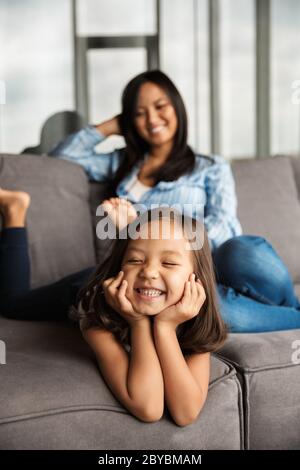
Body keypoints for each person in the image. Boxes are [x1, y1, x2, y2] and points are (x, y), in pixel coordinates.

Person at [1, 69, 300, 331]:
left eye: (160, 107)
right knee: (210, 309)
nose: (152, 119)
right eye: (140, 112)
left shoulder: (209, 167)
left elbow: (223, 226)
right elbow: (61, 157)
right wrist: (111, 125)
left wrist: (142, 228)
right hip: (166, 282)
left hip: (213, 266)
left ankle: (279, 308)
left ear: (177, 109)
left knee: (244, 250)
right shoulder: (120, 165)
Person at [70, 207, 227, 425]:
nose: (149, 272)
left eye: (169, 263)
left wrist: (165, 328)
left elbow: (185, 413)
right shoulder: (96, 317)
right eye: (134, 260)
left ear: (196, 278)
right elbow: (148, 407)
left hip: (147, 294)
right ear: (119, 267)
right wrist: (138, 322)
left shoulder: (197, 321)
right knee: (13, 301)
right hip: (75, 288)